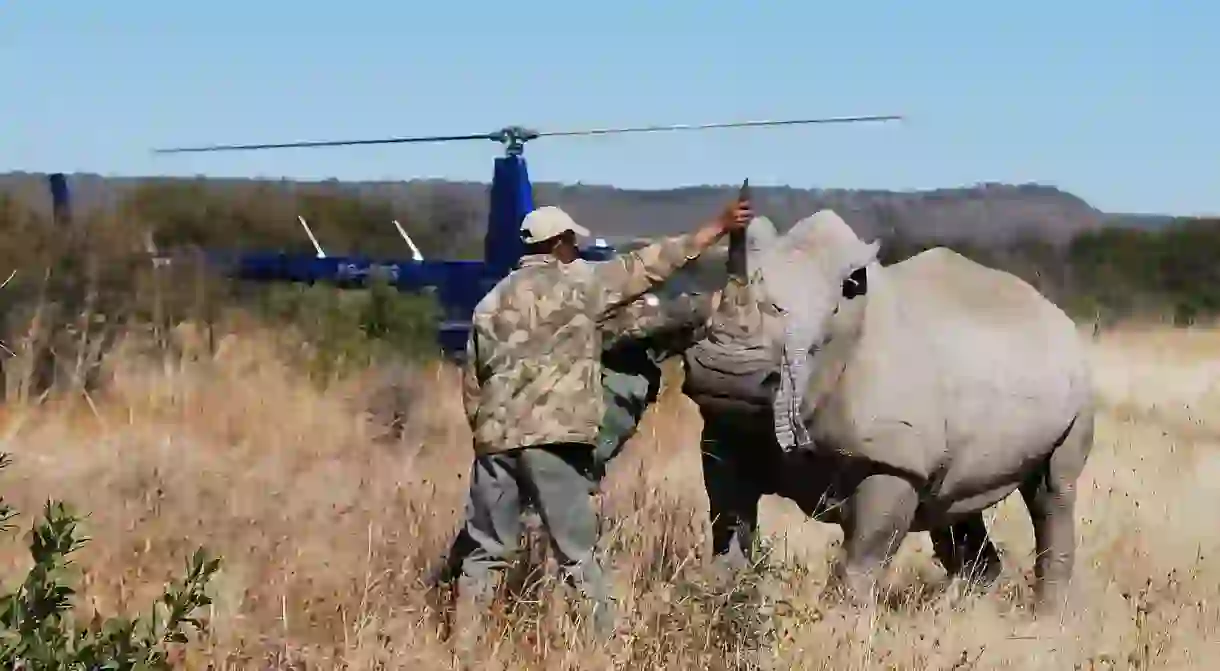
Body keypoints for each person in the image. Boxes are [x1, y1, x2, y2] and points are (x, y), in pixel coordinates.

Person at [453, 197, 752, 648]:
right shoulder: (580, 286)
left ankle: (464, 650)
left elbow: (473, 381)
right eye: (571, 241)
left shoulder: (489, 303)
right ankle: (605, 648)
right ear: (559, 244)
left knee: (485, 554)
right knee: (577, 555)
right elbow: (650, 265)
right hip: (553, 441)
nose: (575, 249)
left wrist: (486, 433)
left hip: (494, 443)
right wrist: (718, 227)